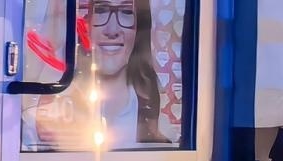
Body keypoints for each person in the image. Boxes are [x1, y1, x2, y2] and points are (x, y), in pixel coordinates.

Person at [23, 0, 178, 151]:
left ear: (140, 26)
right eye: (102, 10)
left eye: (126, 12)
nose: (112, 30)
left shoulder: (155, 109)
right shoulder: (59, 97)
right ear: (88, 22)